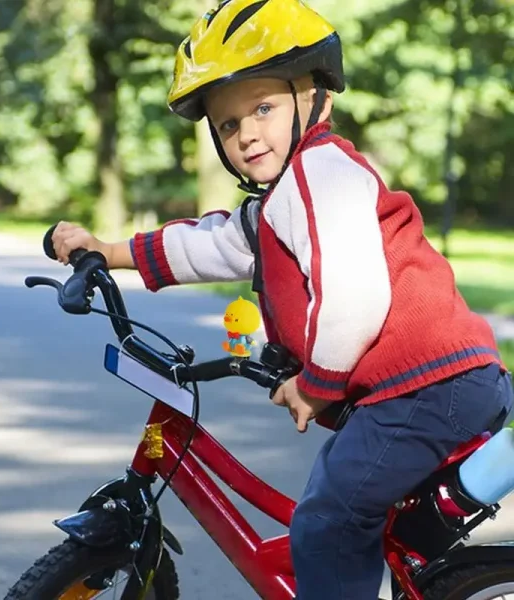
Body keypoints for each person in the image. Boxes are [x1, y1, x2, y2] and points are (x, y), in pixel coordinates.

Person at [51, 1, 513, 598]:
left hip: (432, 386)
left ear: (316, 96)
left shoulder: (322, 173)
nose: (245, 132)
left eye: (263, 107)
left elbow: (354, 295)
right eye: (225, 124)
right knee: (361, 513)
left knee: (329, 518)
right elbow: (216, 243)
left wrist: (318, 384)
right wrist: (108, 250)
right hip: (425, 389)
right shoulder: (286, 195)